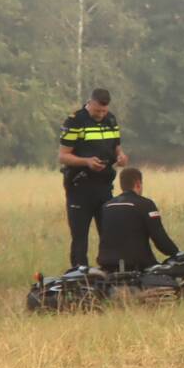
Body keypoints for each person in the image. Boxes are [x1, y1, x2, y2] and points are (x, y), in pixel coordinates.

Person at [58, 88, 128, 268]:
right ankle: (80, 274)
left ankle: (109, 271)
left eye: (104, 111)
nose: (101, 114)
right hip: (79, 187)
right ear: (90, 103)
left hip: (104, 186)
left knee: (109, 234)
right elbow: (63, 156)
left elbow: (117, 148)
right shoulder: (75, 121)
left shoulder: (111, 120)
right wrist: (86, 162)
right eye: (98, 111)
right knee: (80, 236)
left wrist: (121, 157)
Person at [97, 168, 179, 272]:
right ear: (138, 183)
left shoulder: (106, 206)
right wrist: (176, 253)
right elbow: (160, 239)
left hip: (107, 264)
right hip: (138, 264)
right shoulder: (145, 204)